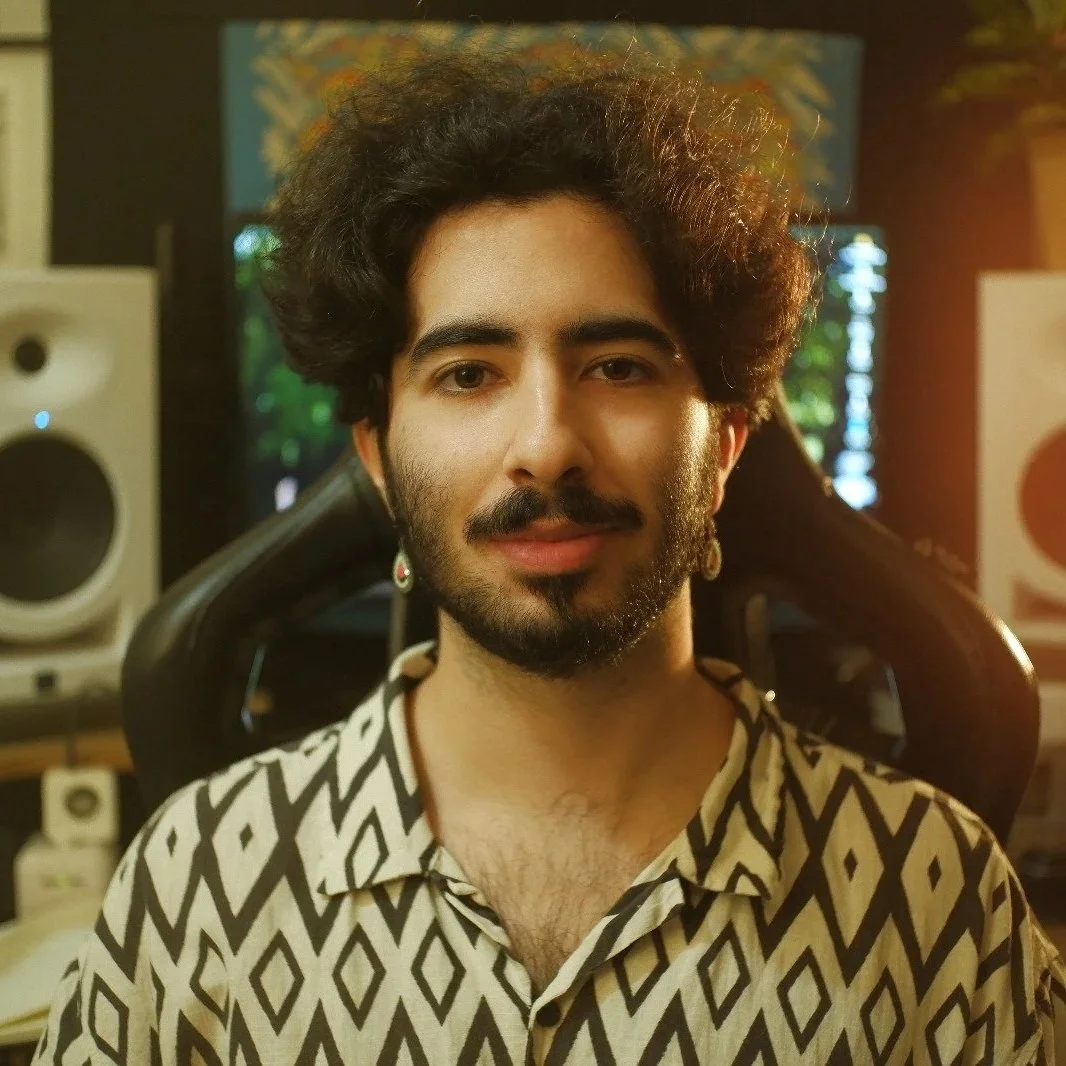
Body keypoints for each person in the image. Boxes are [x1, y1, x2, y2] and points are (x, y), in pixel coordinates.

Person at [33, 49, 1065, 1065]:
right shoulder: (197, 878)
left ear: (725, 453)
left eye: (617, 365)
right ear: (378, 459)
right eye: (470, 373)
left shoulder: (936, 890)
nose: (546, 442)